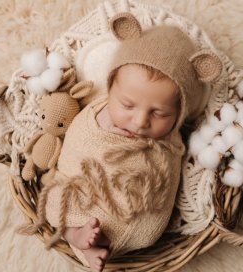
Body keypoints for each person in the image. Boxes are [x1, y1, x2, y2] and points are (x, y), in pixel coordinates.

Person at [40, 12, 223, 272]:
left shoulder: (172, 143)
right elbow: (77, 146)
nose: (139, 122)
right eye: (127, 105)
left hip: (134, 204)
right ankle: (77, 235)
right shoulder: (96, 113)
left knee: (147, 225)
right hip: (84, 188)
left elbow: (164, 180)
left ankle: (102, 240)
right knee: (59, 199)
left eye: (159, 113)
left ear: (180, 113)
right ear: (110, 89)